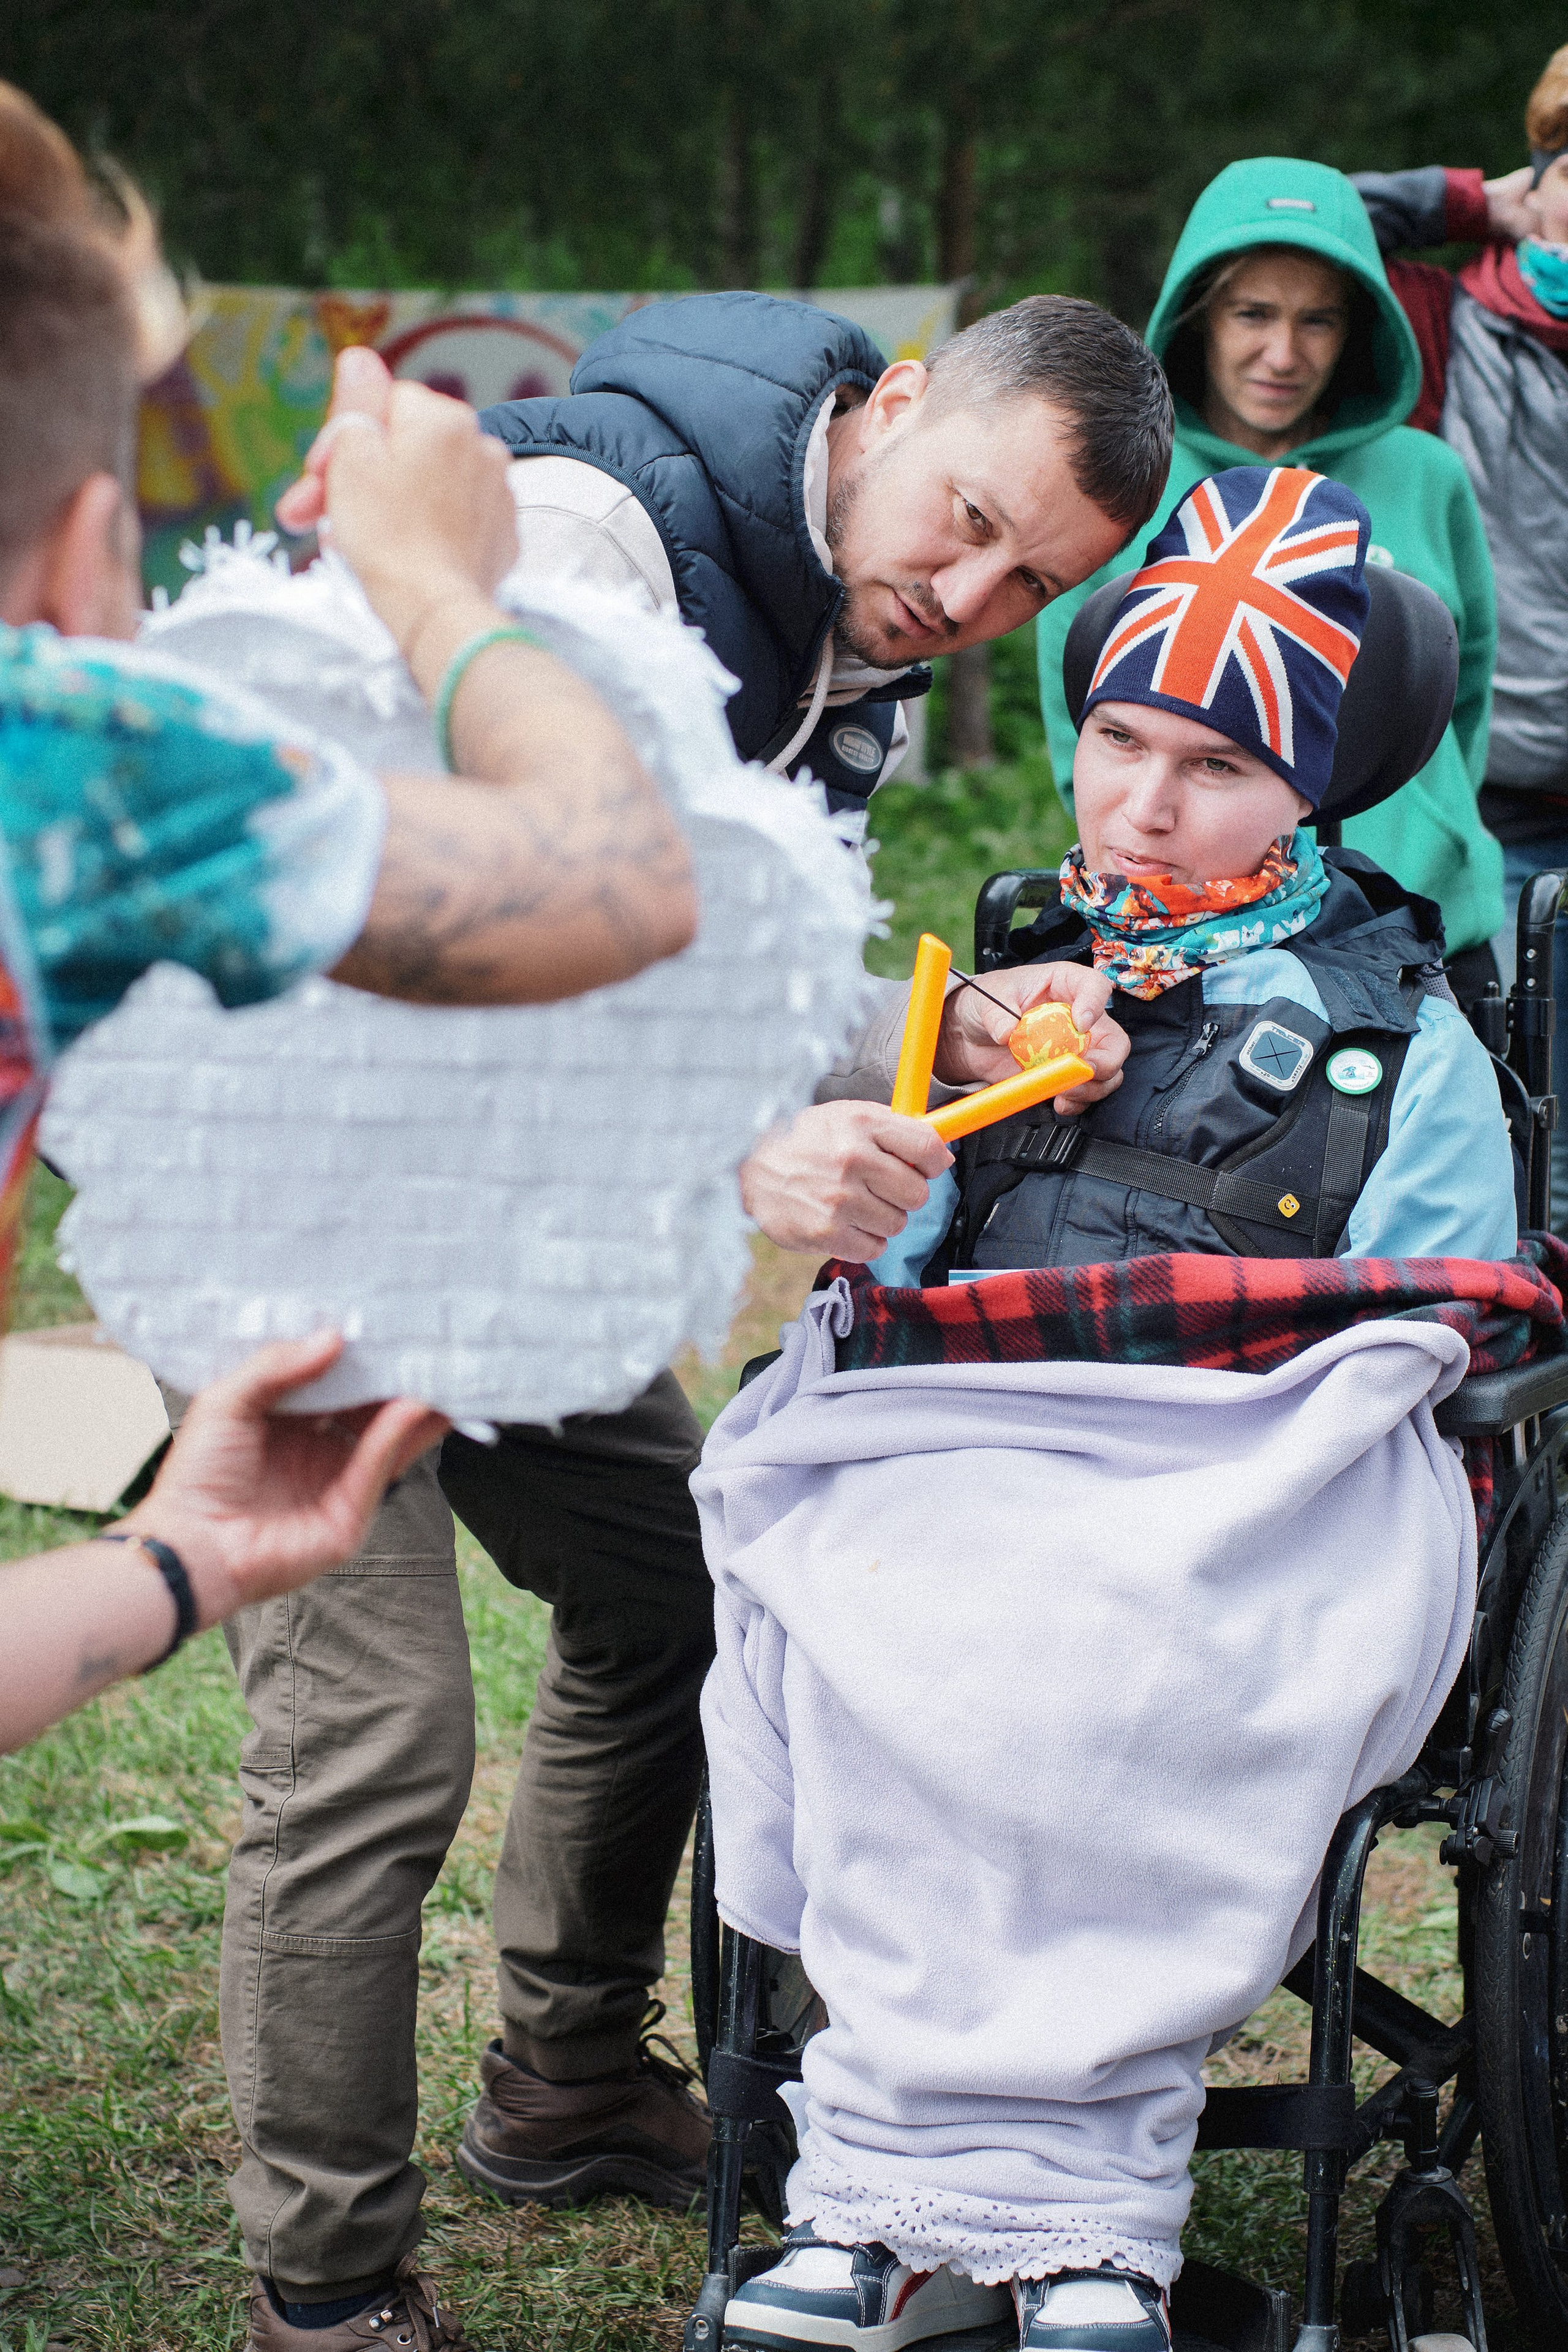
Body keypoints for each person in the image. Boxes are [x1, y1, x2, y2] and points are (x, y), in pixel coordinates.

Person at [219, 289, 1171, 2348]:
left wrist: (931, 1033)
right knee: (376, 1734)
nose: (973, 591)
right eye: (973, 517)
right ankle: (326, 2281)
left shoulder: (833, 634)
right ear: (899, 404)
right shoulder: (592, 551)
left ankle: (563, 2082)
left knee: (701, 1588)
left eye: (1038, 584)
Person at [699, 469, 1513, 2352]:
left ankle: (1049, 2212)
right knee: (886, 1618)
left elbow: (1441, 1346)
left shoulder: (1406, 1039)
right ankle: (905, 2195)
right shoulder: (984, 1001)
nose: (1146, 802)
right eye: (1122, 740)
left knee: (1106, 1641)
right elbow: (884, 1301)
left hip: (1238, 1496)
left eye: (1218, 766)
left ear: (1315, 789)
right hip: (963, 1462)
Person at [0, 177, 696, 1809]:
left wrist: (172, 1565)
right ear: (93, 548)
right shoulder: (60, 764)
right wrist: (436, 576)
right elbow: (609, 878)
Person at [1037, 156, 1504, 1016]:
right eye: (1253, 313)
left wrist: (1430, 830)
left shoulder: (1428, 474)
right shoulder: (1127, 479)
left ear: (1358, 329)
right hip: (1183, 943)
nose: (1282, 354)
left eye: (1317, 321)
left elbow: (1461, 695)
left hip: (1424, 937)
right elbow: (1079, 700)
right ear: (1196, 316)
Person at [1349, 43, 1568, 1223]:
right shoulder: (1445, 320)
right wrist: (1474, 198)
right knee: (1532, 1143)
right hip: (1513, 803)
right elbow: (1322, 220)